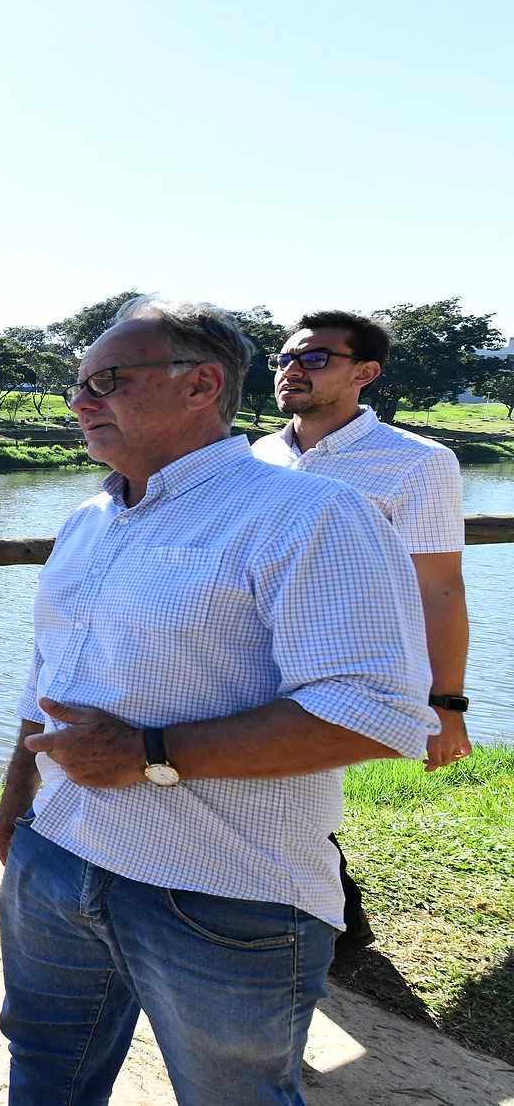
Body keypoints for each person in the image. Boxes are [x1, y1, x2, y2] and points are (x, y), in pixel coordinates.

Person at [0, 296, 435, 1105]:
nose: (82, 401)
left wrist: (149, 752)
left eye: (109, 380)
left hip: (220, 889)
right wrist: (20, 801)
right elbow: (48, 666)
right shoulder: (89, 517)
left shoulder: (311, 515)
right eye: (79, 385)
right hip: (56, 853)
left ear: (201, 385)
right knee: (44, 1065)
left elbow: (376, 709)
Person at [251, 310, 471, 957]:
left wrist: (447, 704)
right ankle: (334, 924)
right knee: (271, 789)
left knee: (289, 787)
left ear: (365, 372)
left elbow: (440, 588)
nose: (292, 368)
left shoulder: (416, 463)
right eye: (286, 357)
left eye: (316, 358)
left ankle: (327, 932)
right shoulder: (256, 456)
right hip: (254, 655)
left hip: (345, 660)